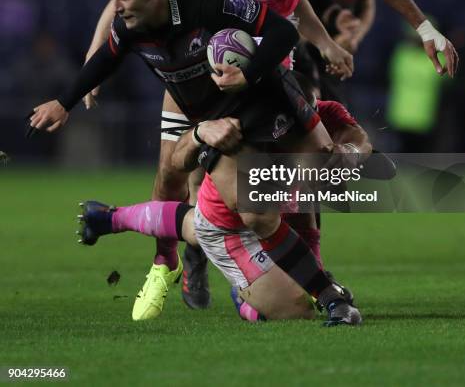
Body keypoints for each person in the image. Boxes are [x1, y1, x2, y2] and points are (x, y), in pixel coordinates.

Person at [29, 0, 362, 326]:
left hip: (268, 98)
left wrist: (248, 71)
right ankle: (330, 297)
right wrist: (64, 102)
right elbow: (105, 59)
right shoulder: (129, 30)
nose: (116, 9)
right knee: (254, 212)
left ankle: (303, 276)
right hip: (218, 125)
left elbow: (282, 30)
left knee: (319, 177)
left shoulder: (207, 2)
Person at [76, 72, 372, 325]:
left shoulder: (319, 115)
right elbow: (256, 219)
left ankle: (108, 217)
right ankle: (243, 292)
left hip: (252, 218)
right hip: (233, 228)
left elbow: (358, 141)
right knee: (297, 310)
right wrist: (322, 290)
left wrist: (352, 154)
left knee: (192, 226)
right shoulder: (247, 129)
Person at [86, 0, 232, 311]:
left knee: (248, 184)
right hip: (187, 76)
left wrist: (324, 43)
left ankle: (245, 271)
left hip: (244, 78)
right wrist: (95, 60)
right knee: (173, 176)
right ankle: (169, 262)